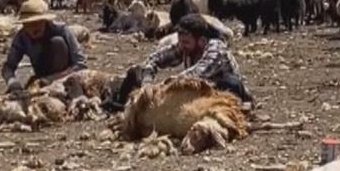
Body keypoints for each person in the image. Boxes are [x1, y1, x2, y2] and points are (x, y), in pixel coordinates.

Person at [104, 14, 252, 113]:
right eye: (181, 41)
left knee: (230, 82)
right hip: (197, 92)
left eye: (186, 42)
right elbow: (156, 58)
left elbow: (199, 72)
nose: (182, 45)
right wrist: (147, 80)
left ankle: (240, 108)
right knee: (135, 72)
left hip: (219, 90)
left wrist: (165, 85)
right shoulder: (185, 47)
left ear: (201, 40)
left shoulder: (216, 48)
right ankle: (122, 105)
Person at [1, 0, 86, 90]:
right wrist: (12, 81)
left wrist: (52, 79)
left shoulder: (61, 30)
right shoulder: (22, 37)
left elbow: (81, 64)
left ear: (45, 21)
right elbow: (8, 66)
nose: (33, 28)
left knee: (57, 42)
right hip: (41, 76)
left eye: (37, 23)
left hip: (66, 77)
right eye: (28, 24)